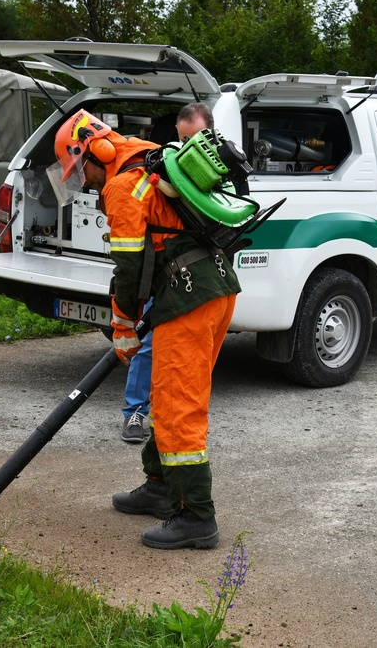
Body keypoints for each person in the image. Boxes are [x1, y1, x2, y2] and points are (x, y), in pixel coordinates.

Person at [54, 109, 240, 549]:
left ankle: (196, 516)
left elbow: (130, 267)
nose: (87, 183)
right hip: (213, 289)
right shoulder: (152, 158)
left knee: (178, 405)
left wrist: (122, 324)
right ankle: (160, 486)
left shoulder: (122, 186)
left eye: (84, 171)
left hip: (189, 298)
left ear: (99, 150)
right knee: (166, 395)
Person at [119, 102, 219, 444]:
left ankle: (173, 417)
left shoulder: (223, 170)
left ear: (211, 132)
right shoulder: (168, 162)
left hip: (202, 274)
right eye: (181, 138)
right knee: (149, 342)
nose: (185, 146)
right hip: (164, 269)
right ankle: (135, 412)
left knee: (192, 355)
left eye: (193, 138)